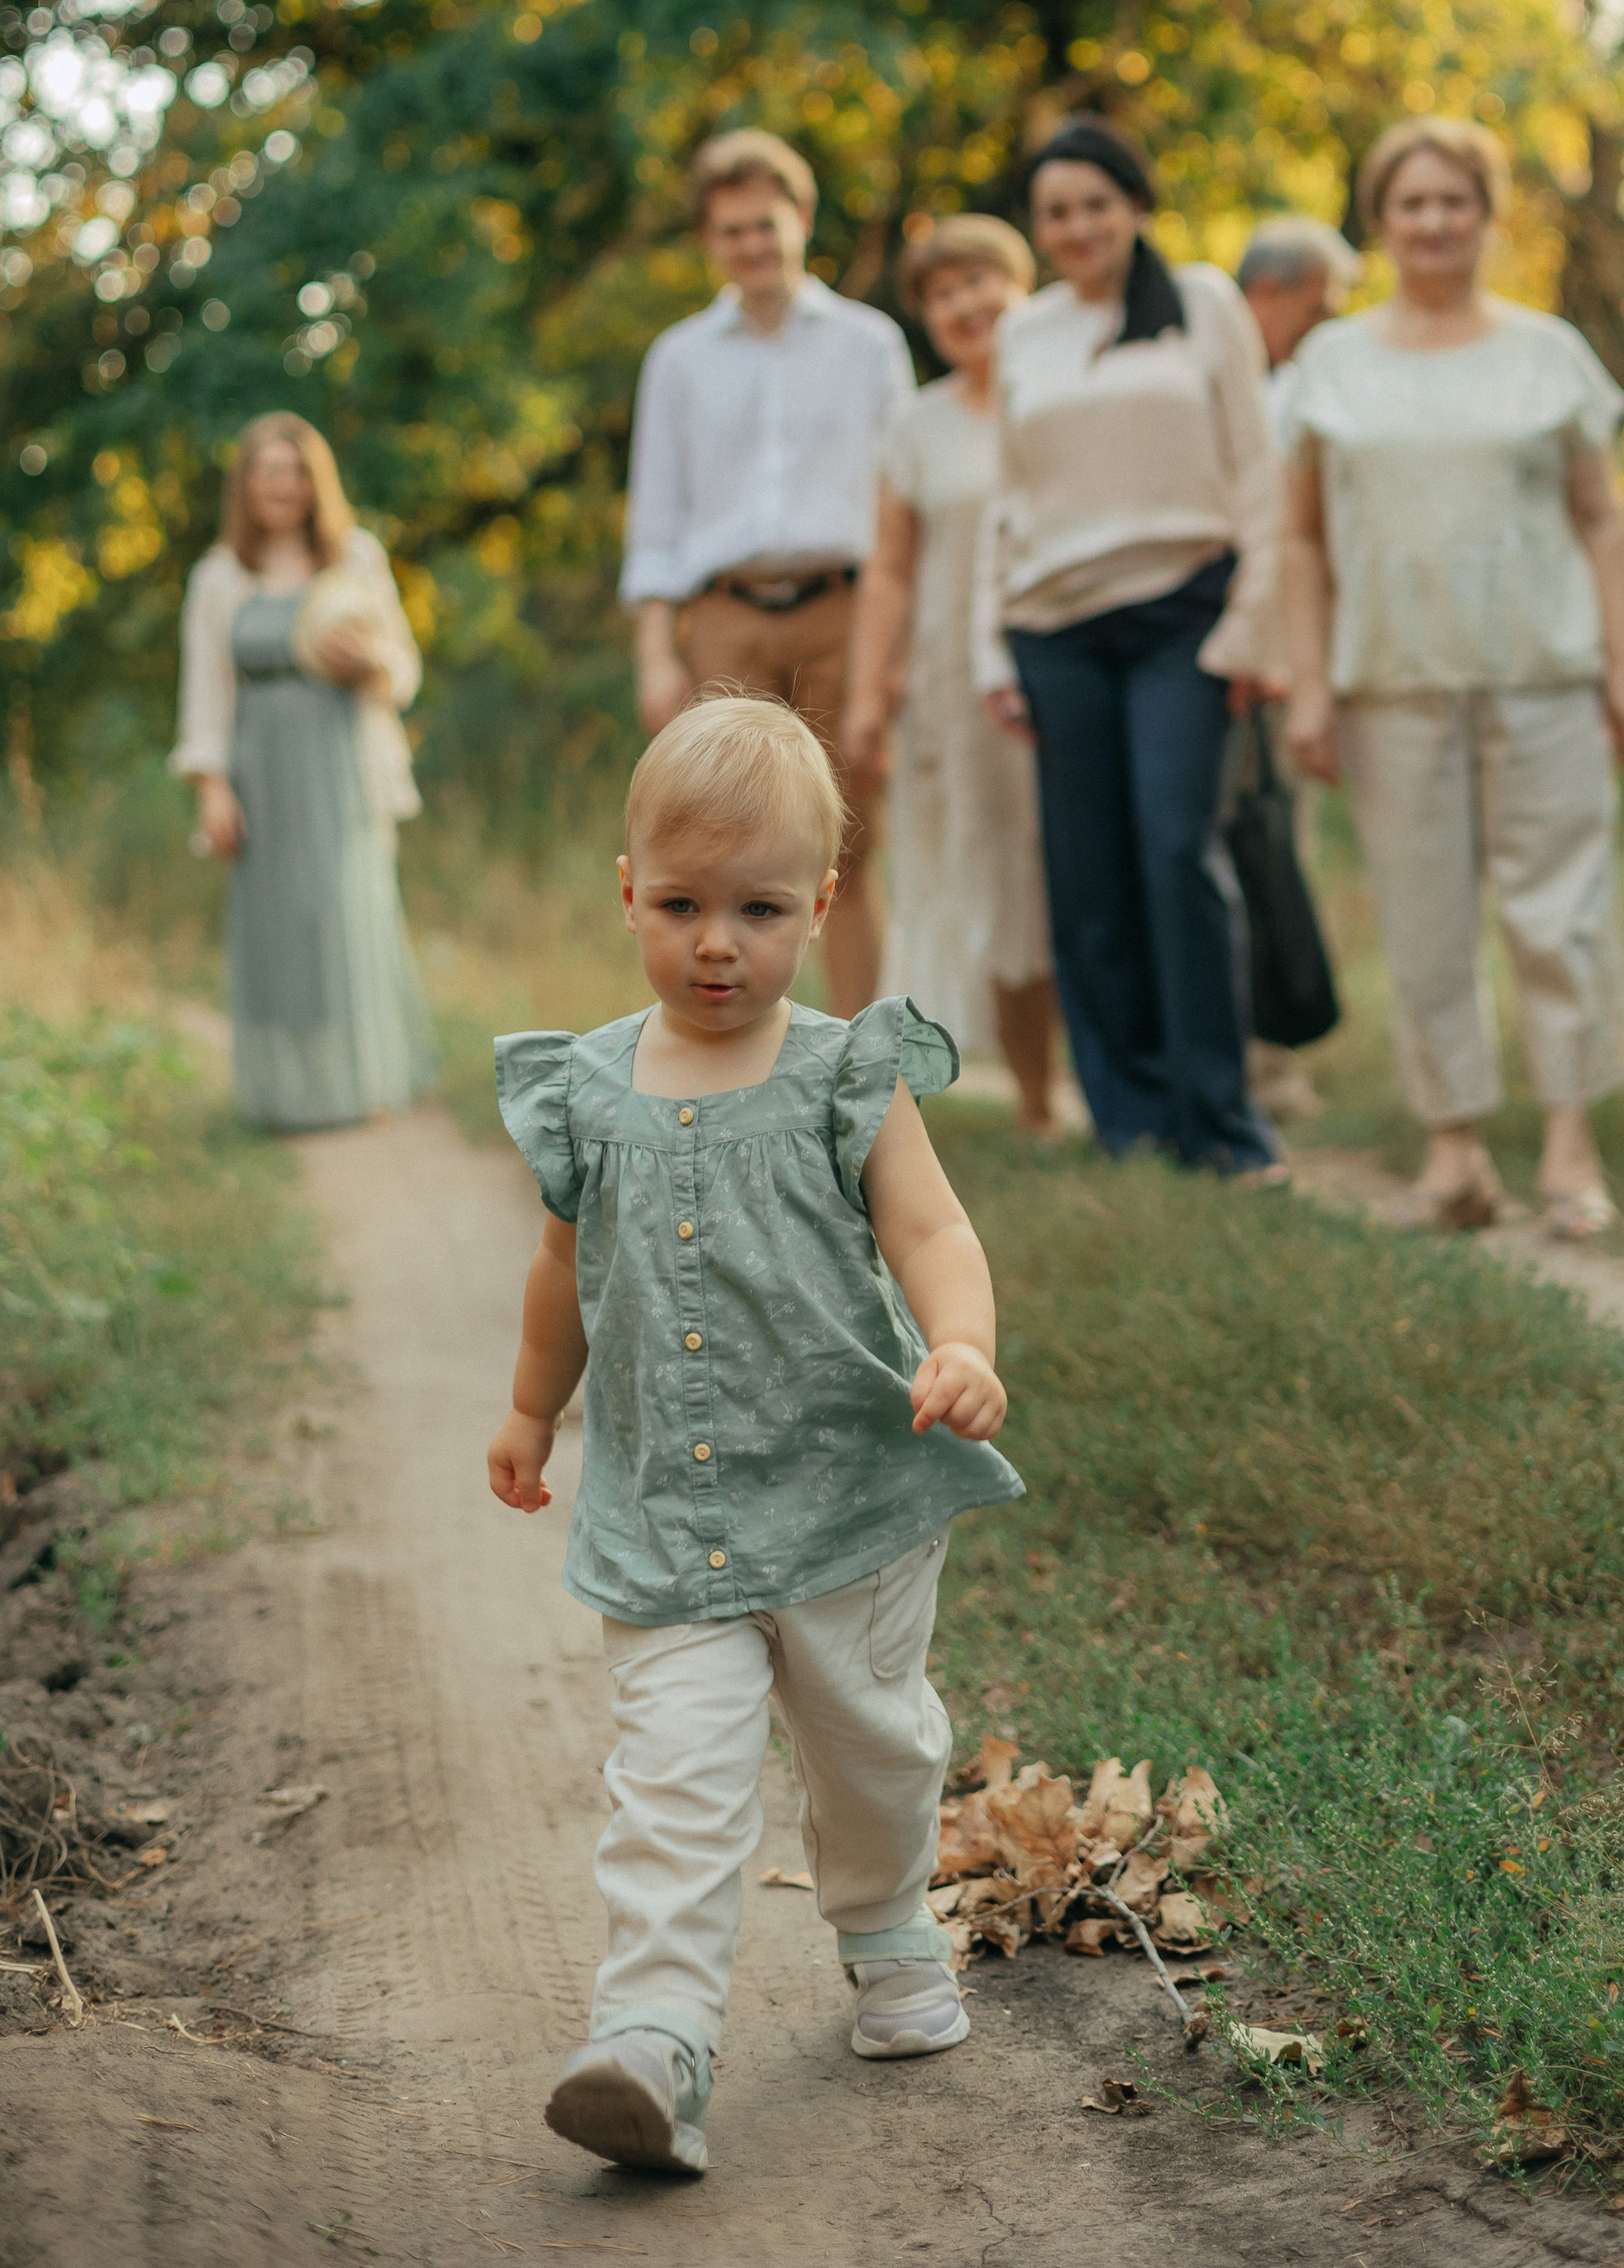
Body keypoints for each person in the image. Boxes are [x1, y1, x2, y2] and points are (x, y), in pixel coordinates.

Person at [486, 696, 1020, 2180]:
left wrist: (963, 1342)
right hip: (666, 1513)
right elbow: (558, 1273)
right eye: (681, 905)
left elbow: (931, 1228)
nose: (717, 942)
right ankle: (653, 2036)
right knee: (677, 1770)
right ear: (628, 891)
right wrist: (535, 1408)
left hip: (848, 1488)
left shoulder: (849, 1070)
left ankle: (886, 1920)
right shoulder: (585, 1090)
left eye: (760, 908)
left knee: (870, 1746)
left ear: (824, 905)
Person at [1282, 117, 1624, 1239]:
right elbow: (1300, 541)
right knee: (1425, 919)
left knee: (1562, 911)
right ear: (1382, 221)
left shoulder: (1548, 352)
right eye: (1414, 202)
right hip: (1391, 681)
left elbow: (1602, 519)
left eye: (1457, 200)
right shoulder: (1330, 364)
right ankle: (1453, 1156)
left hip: (1543, 671)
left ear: (1489, 217)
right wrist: (1310, 685)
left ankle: (1568, 1150)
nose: (1436, 221)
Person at [973, 116, 1284, 1179]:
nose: (1076, 227)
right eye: (1055, 211)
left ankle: (1223, 1124)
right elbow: (1005, 501)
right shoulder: (1027, 333)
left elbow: (1258, 472)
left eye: (1094, 204)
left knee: (1173, 850)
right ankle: (1131, 1124)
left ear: (1135, 205)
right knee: (1087, 877)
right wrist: (990, 651)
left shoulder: (1201, 302)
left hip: (1182, 615)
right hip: (1054, 629)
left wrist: (1254, 625)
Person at [622, 128, 915, 1017]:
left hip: (843, 610)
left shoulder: (870, 346)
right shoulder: (678, 358)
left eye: (765, 224)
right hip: (725, 618)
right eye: (731, 230)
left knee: (845, 848)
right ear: (711, 241)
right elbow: (658, 514)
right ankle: (730, 1046)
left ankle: (864, 1058)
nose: (752, 245)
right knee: (718, 847)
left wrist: (891, 656)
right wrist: (654, 653)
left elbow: (905, 512)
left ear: (801, 219)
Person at [839, 216, 1058, 1130]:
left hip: (1061, 665)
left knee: (1057, 873)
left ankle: (1084, 1082)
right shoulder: (916, 426)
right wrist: (866, 695)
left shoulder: (1062, 398)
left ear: (1023, 285)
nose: (966, 305)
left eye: (981, 282)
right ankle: (1020, 1101)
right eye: (942, 293)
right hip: (949, 689)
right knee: (978, 868)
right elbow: (888, 568)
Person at [171, 411, 433, 1132]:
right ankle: (288, 1093)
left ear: (314, 482)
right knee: (275, 928)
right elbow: (205, 689)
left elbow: (403, 669)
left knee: (346, 913)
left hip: (344, 764)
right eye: (267, 473)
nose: (281, 486)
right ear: (246, 486)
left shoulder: (357, 558)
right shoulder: (219, 576)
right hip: (259, 772)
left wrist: (370, 665)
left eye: (294, 472)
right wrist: (212, 787)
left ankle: (365, 1079)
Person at [1235, 213, 1364, 1123]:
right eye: (1324, 307)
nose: (1332, 326)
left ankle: (1271, 1061)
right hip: (1219, 660)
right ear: (1270, 293)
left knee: (1275, 854)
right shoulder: (1223, 389)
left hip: (1285, 668)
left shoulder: (1298, 390)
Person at [1237, 214, 1364, 443]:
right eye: (1315, 312)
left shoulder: (1292, 383)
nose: (1324, 331)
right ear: (1266, 292)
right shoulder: (1199, 377)